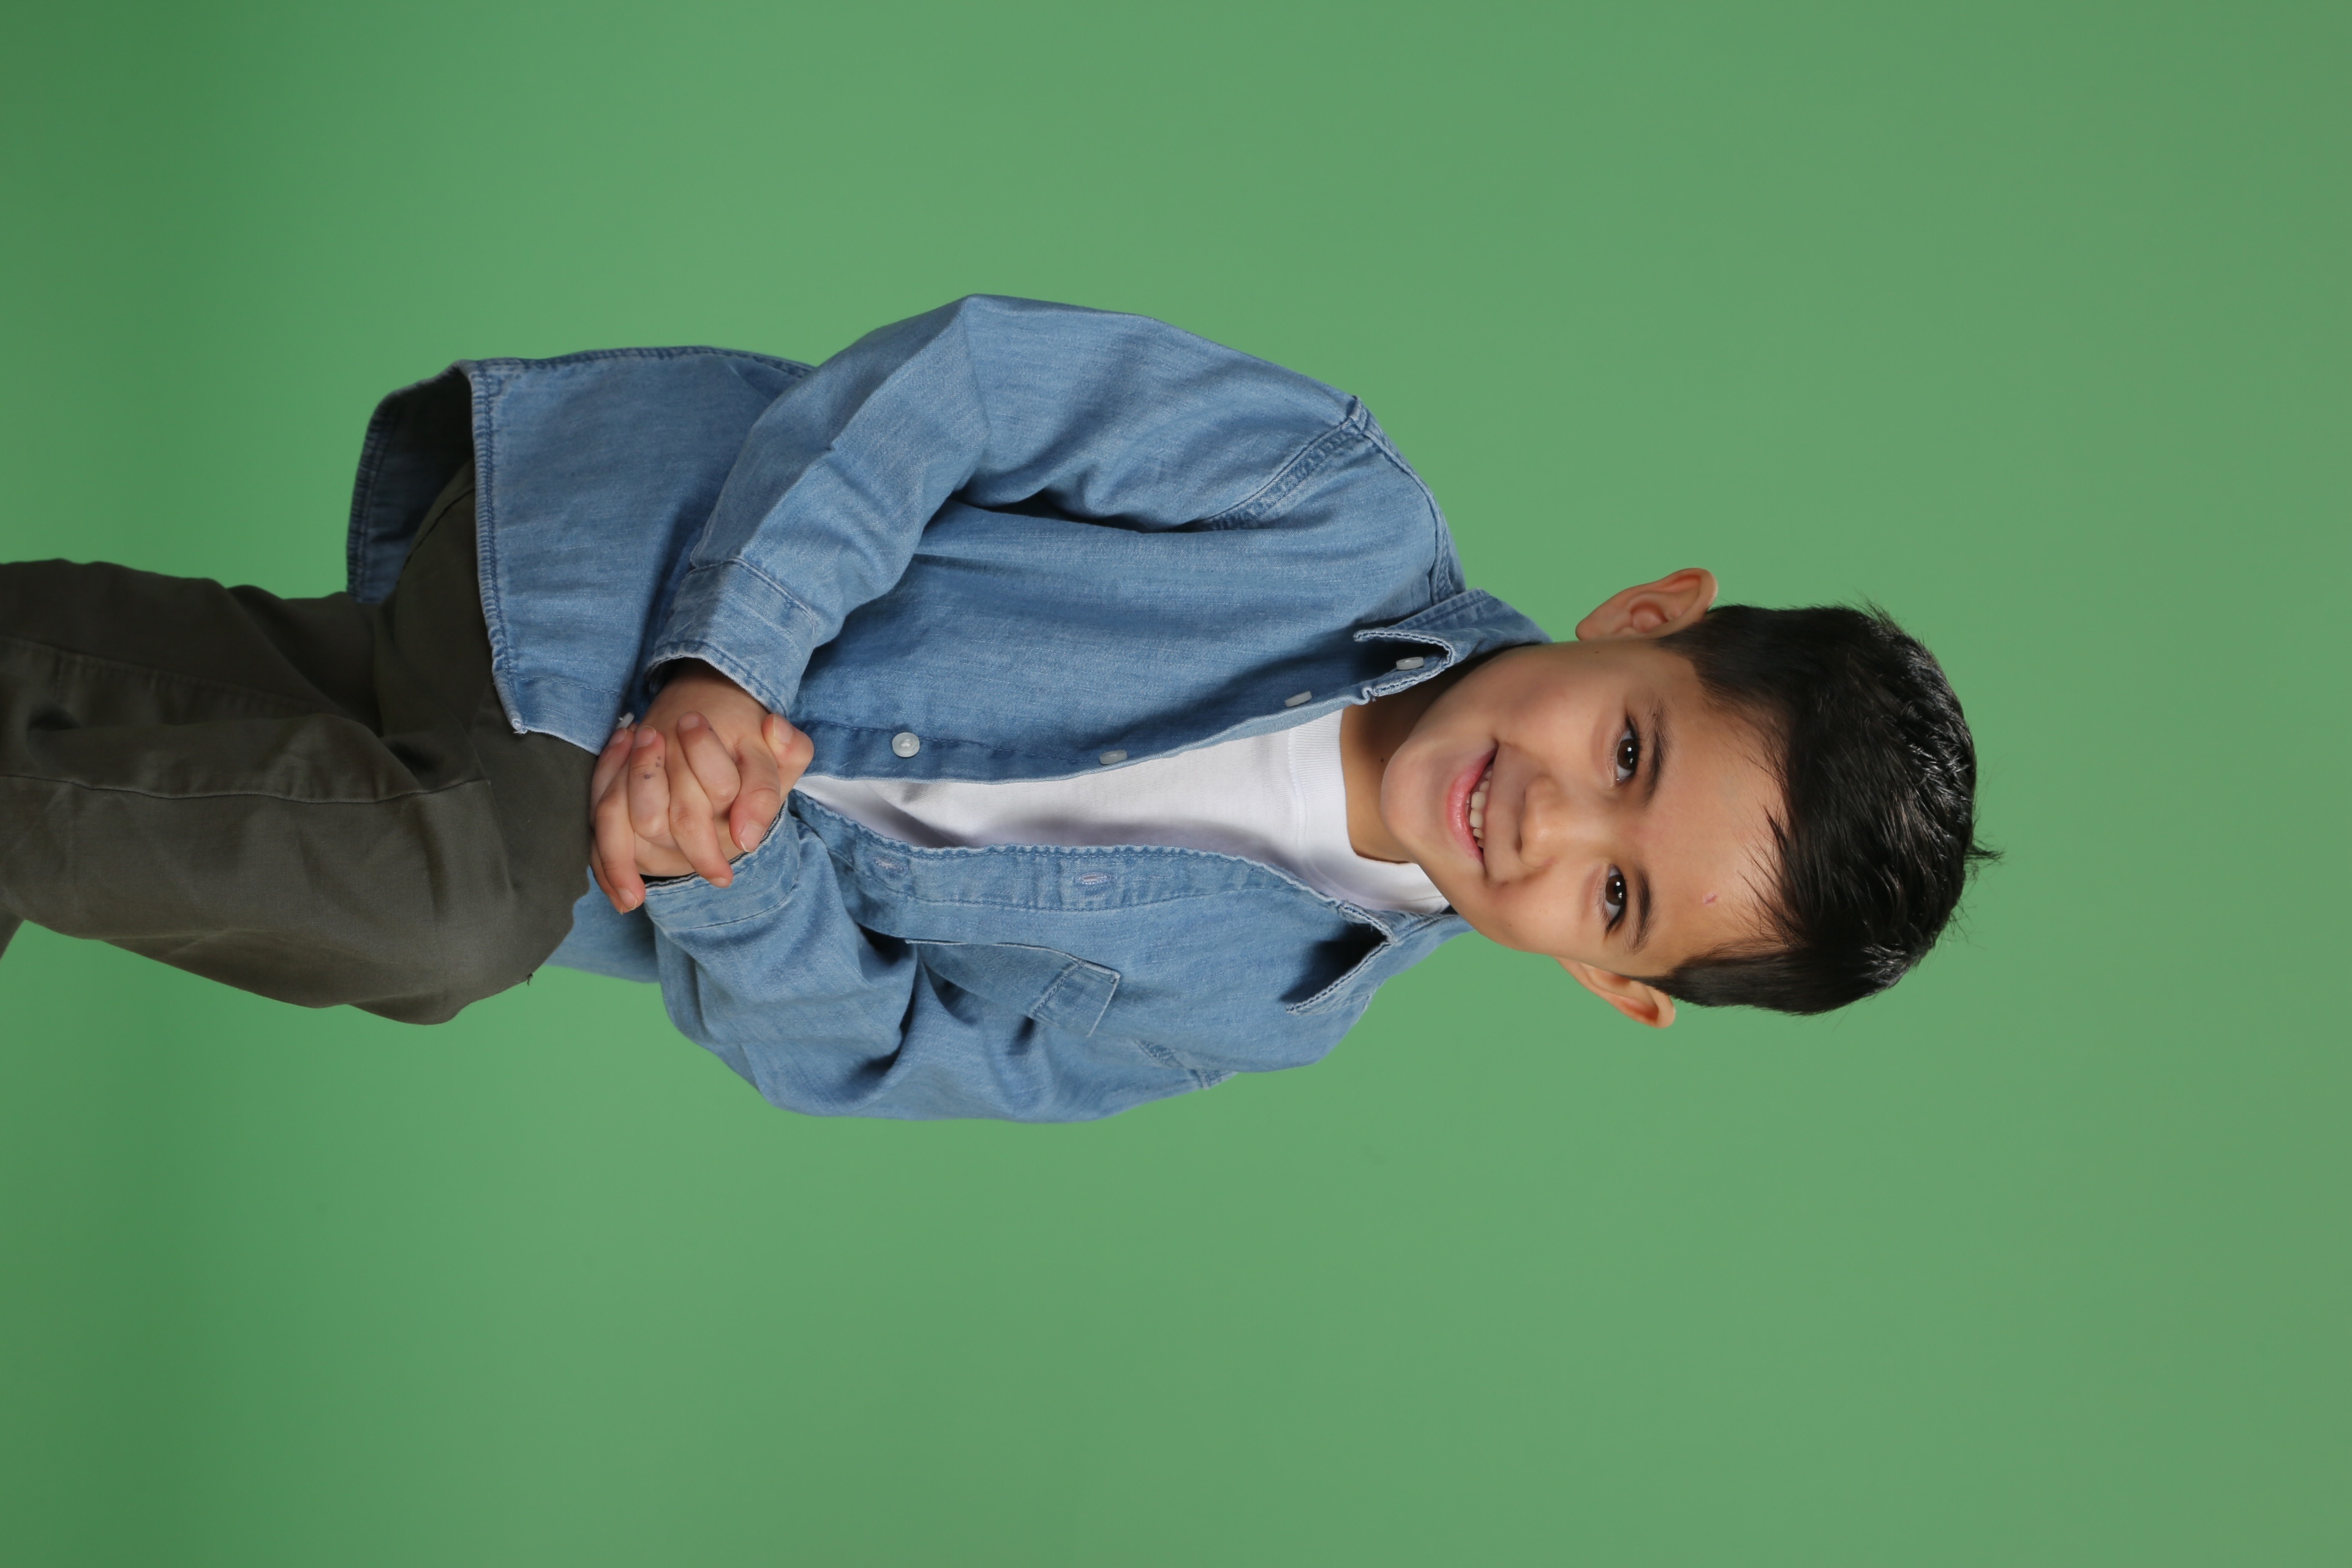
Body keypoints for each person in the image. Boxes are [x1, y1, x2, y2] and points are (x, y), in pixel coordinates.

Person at [0, 296, 1989, 1121]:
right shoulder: (1331, 504)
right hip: (613, 557)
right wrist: (732, 665)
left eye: (1618, 894)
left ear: (1615, 986)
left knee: (218, 726)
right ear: (1645, 620)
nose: (1551, 823)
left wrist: (732, 864)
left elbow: (876, 1053)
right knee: (447, 911)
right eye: (1628, 749)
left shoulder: (1262, 1008)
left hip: (589, 816)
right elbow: (962, 389)